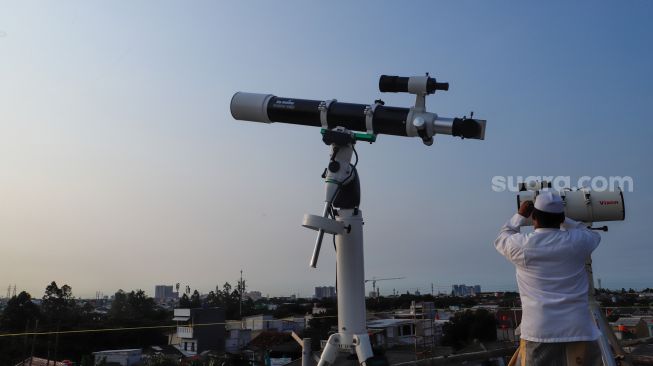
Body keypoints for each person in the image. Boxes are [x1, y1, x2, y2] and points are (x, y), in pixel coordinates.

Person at [495, 191, 602, 366]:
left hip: (539, 330)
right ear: (561, 218)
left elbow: (503, 236)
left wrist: (520, 216)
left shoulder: (522, 245)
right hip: (579, 328)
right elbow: (588, 232)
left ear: (534, 217)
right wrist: (562, 217)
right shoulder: (578, 242)